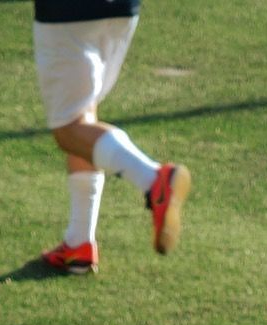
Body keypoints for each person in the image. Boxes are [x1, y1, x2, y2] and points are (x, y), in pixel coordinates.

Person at [31, 4, 191, 275]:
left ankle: (153, 179)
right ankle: (79, 242)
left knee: (69, 129)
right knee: (84, 114)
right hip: (122, 11)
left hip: (66, 12)